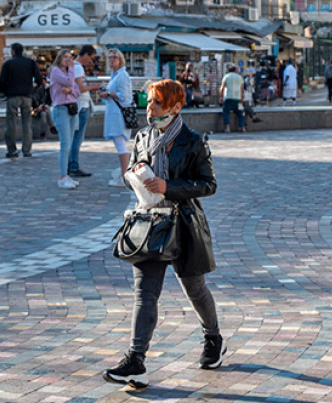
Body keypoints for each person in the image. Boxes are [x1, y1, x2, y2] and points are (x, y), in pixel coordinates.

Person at [103, 79, 224, 387]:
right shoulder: (143, 136)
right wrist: (136, 174)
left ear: (175, 107)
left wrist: (169, 186)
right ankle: (135, 360)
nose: (150, 109)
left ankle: (213, 339)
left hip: (183, 224)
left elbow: (207, 184)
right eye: (148, 102)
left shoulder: (193, 140)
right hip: (151, 223)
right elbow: (131, 170)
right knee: (145, 292)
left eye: (157, 103)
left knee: (194, 289)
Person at [0, 42, 44, 159]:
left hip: (12, 96)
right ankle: (26, 150)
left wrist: (2, 92)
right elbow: (39, 81)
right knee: (27, 124)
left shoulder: (8, 64)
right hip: (27, 97)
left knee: (11, 124)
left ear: (13, 51)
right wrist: (32, 90)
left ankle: (11, 150)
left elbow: (2, 81)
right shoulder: (30, 63)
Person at [68, 45, 102, 179]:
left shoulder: (73, 66)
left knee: (74, 137)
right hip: (81, 106)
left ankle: (70, 164)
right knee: (77, 137)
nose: (91, 62)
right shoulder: (78, 67)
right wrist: (93, 86)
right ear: (86, 54)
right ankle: (73, 165)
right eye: (91, 58)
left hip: (78, 105)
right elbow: (80, 88)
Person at [101, 48, 134, 184]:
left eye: (114, 57)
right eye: (109, 57)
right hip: (113, 113)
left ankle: (124, 177)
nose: (112, 59)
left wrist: (109, 94)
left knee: (121, 145)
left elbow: (124, 96)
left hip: (119, 115)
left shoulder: (122, 75)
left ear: (120, 59)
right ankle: (124, 175)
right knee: (119, 144)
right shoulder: (114, 75)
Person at [49, 51, 81, 189]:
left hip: (72, 108)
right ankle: (62, 176)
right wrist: (72, 68)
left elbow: (77, 92)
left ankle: (66, 175)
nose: (68, 60)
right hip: (61, 109)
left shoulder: (69, 73)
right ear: (59, 58)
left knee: (70, 141)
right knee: (65, 144)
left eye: (70, 58)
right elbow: (69, 82)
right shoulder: (56, 71)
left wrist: (70, 90)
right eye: (65, 57)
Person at [219, 65, 245, 133]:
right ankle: (242, 127)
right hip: (238, 99)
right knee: (240, 113)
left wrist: (221, 98)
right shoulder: (240, 77)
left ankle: (228, 128)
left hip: (229, 98)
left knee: (226, 111)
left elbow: (222, 88)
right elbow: (242, 90)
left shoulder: (226, 76)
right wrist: (242, 99)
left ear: (228, 71)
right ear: (235, 70)